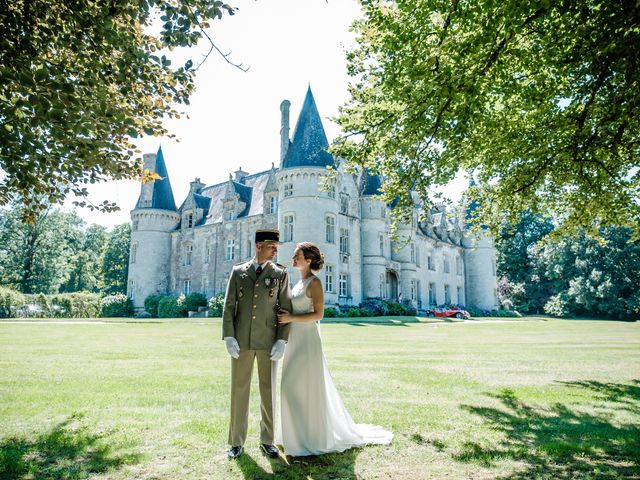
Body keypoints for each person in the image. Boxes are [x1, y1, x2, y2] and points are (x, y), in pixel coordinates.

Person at [276, 241, 393, 456]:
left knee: (298, 387)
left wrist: (290, 317)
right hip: (294, 340)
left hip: (308, 341)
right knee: (290, 387)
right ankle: (295, 437)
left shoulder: (314, 283)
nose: (293, 259)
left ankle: (312, 438)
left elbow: (318, 314)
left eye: (296, 255)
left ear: (308, 260)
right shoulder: (296, 283)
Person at [222, 229, 293, 460]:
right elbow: (229, 307)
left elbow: (286, 309)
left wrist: (282, 339)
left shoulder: (280, 274)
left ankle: (267, 440)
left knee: (268, 391)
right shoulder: (238, 272)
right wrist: (229, 336)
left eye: (276, 247)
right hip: (241, 342)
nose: (275, 250)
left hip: (267, 342)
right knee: (238, 391)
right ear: (259, 246)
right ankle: (235, 442)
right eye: (272, 246)